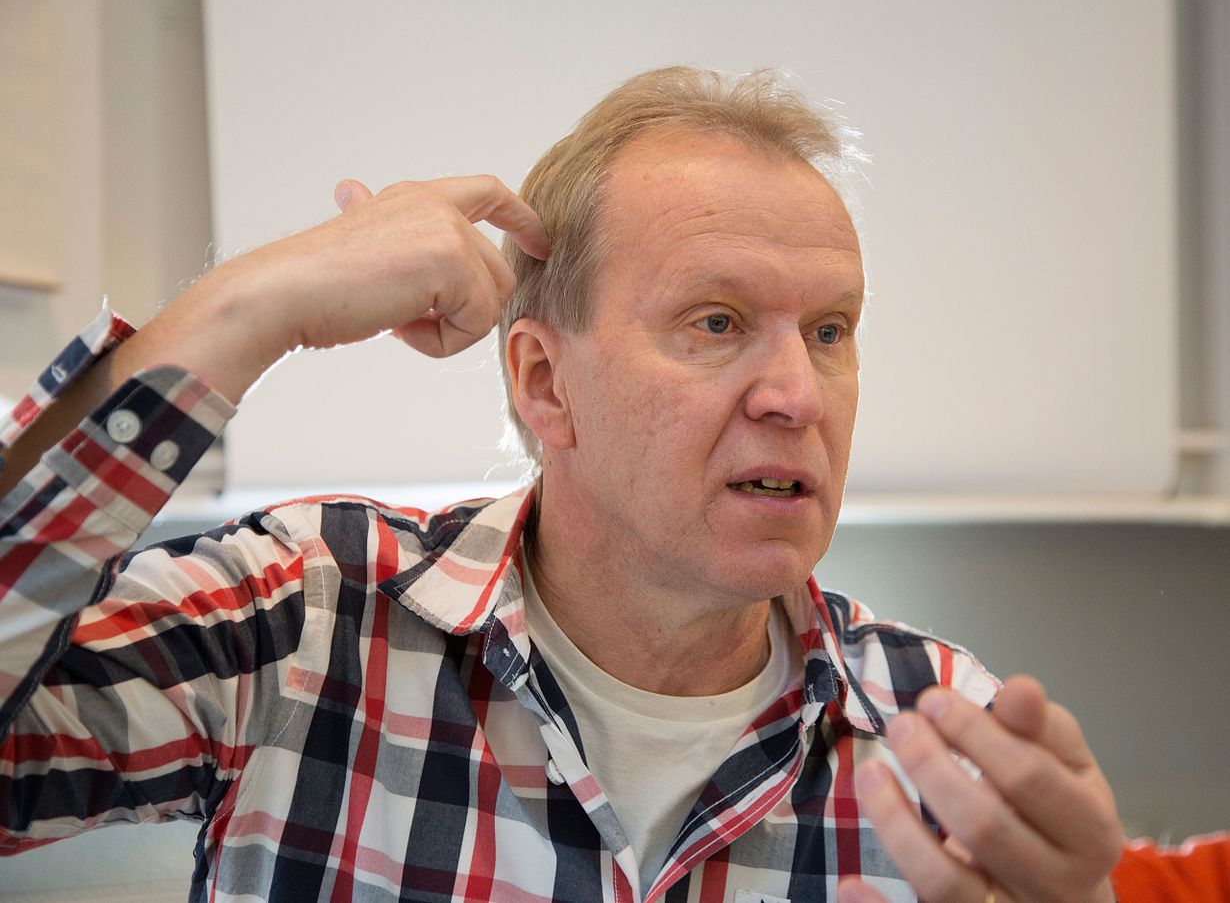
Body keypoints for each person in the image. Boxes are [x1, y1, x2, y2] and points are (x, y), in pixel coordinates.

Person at [0, 66, 1123, 902]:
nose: (797, 394)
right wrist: (244, 308)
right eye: (717, 322)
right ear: (545, 382)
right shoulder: (306, 615)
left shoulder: (944, 742)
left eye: (830, 330)